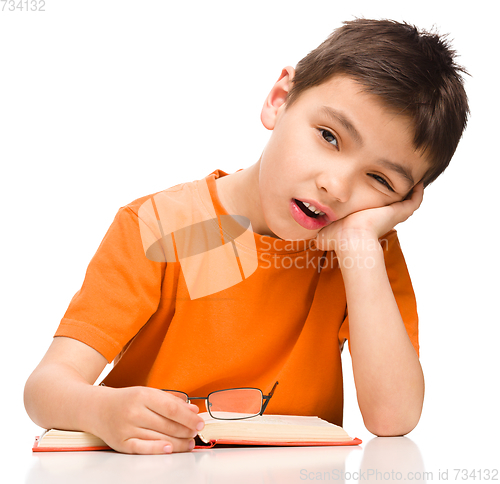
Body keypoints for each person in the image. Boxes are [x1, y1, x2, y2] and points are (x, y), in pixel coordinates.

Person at [24, 19, 469, 454]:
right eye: (329, 136)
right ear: (280, 99)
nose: (336, 186)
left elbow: (393, 419)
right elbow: (45, 388)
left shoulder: (365, 251)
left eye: (380, 179)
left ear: (405, 199)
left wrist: (358, 245)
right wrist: (101, 411)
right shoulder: (159, 225)